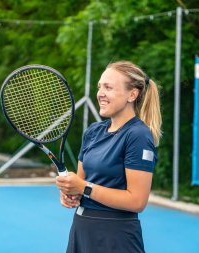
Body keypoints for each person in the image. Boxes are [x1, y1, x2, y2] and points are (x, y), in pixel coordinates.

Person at [56, 60, 162, 253]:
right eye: (99, 87)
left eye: (108, 87)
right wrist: (70, 193)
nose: (100, 93)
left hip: (116, 237)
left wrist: (84, 188)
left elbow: (137, 201)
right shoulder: (93, 131)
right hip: (81, 230)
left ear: (132, 94)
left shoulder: (138, 135)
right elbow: (81, 184)